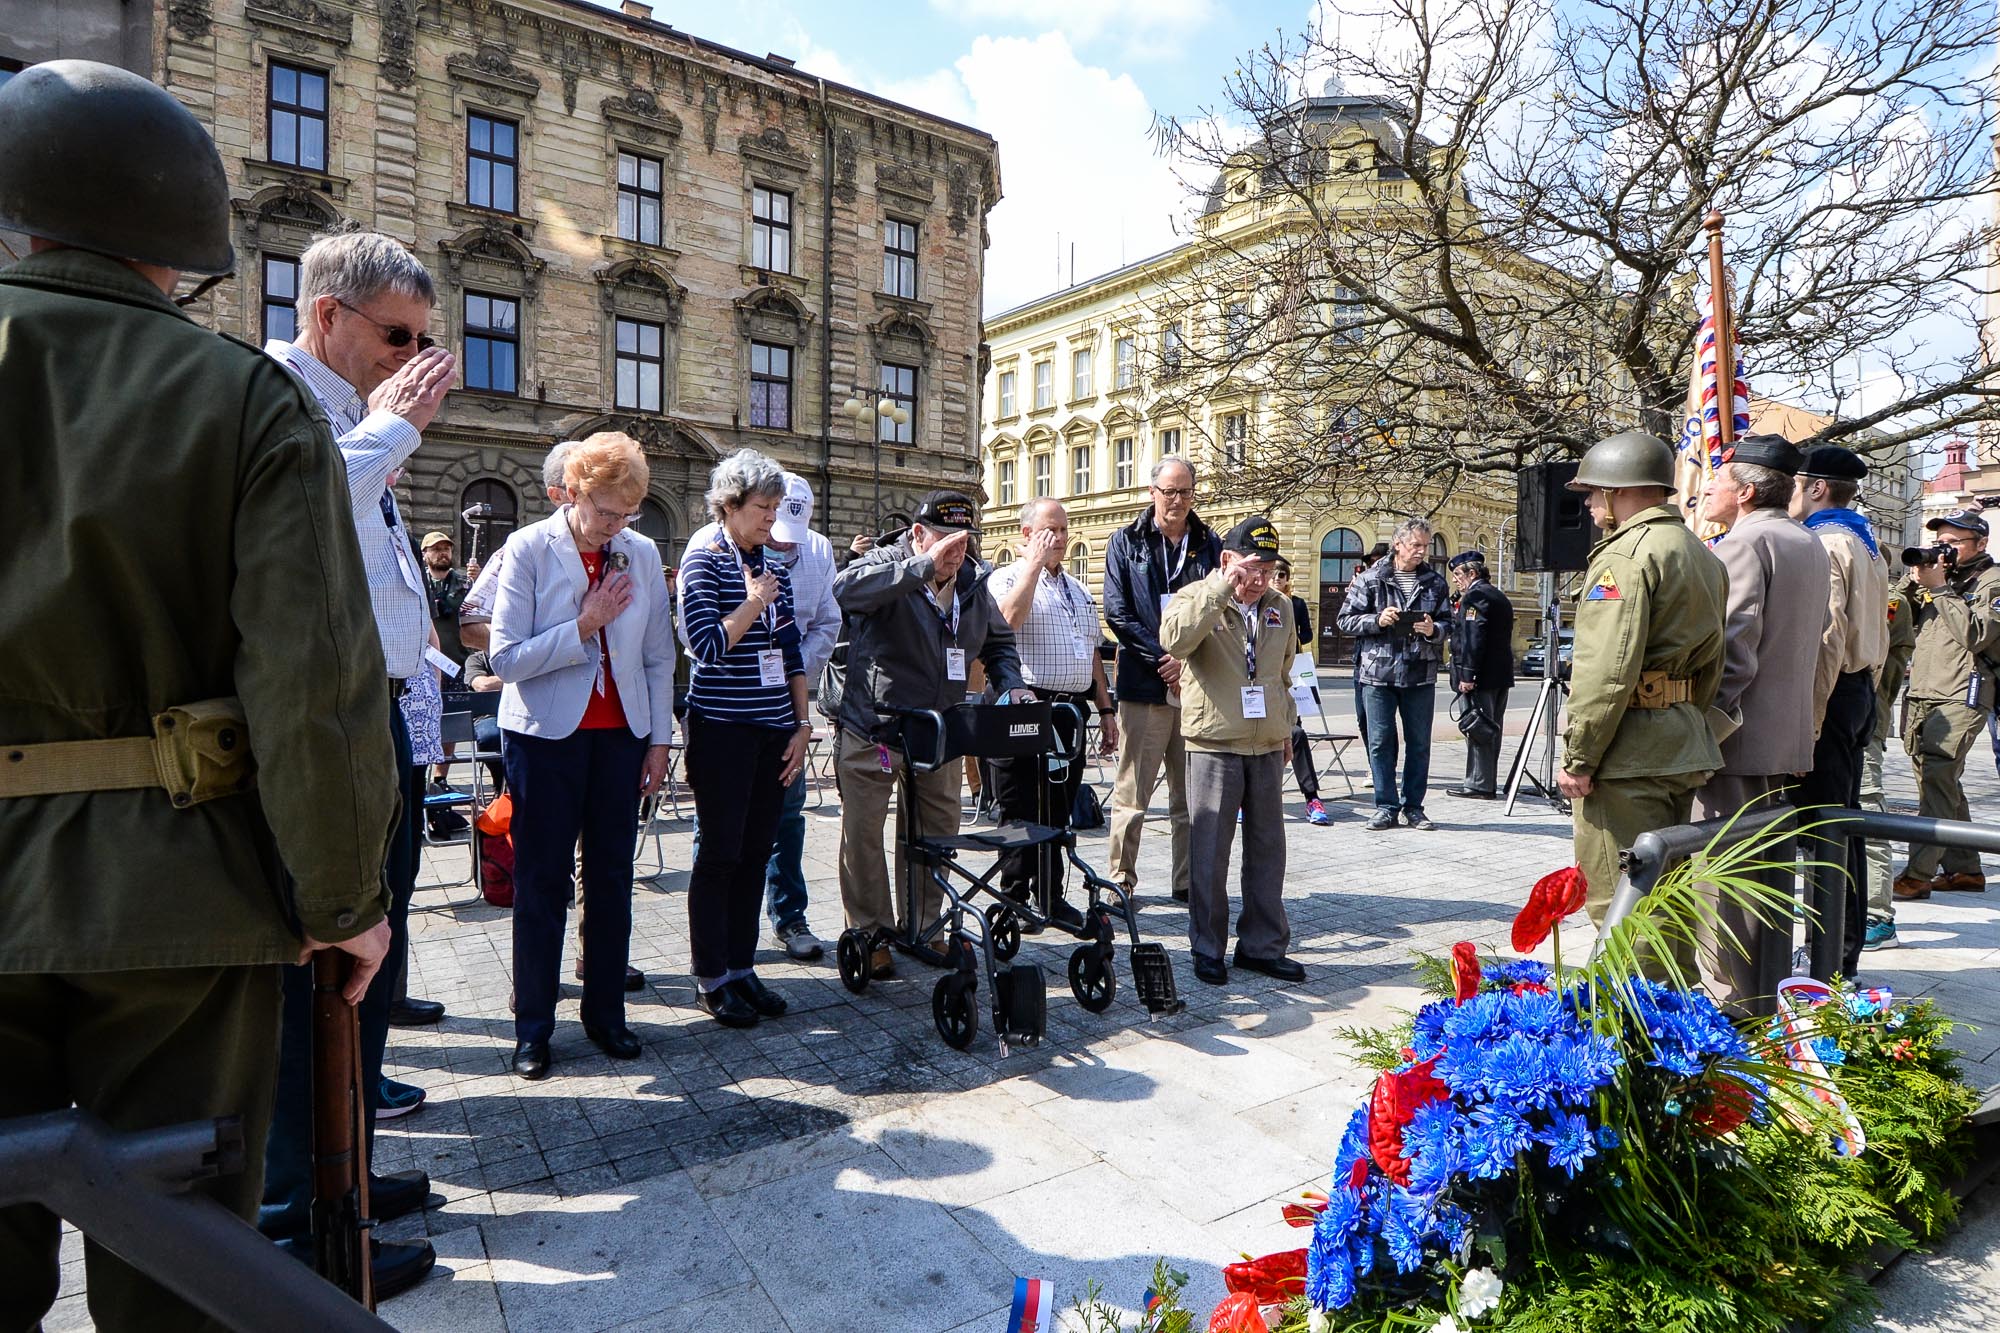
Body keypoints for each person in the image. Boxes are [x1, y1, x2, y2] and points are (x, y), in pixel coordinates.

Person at [0, 61, 395, 1326]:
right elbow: (314, 686)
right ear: (181, 235)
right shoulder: (238, 396)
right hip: (176, 896)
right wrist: (343, 900)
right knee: (177, 1273)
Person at [262, 227, 454, 1291]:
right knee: (322, 977)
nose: (411, 358)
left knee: (368, 967)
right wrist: (390, 430)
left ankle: (350, 1176)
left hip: (378, 718)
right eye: (397, 335)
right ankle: (301, 1222)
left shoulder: (356, 412)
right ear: (326, 314)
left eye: (423, 339)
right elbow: (288, 512)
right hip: (326, 723)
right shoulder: (280, 396)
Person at [489, 432, 676, 1080]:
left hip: (621, 737)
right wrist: (584, 625)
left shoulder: (640, 553)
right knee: (542, 882)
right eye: (605, 511)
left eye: (628, 513)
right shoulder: (528, 548)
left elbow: (658, 655)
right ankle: (533, 1028)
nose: (615, 526)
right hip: (545, 738)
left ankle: (606, 1013)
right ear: (571, 492)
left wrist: (659, 740)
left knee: (612, 879)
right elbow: (504, 657)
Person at [832, 491, 1030, 978]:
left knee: (934, 833)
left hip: (939, 730)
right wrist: (921, 567)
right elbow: (846, 590)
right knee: (863, 834)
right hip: (875, 725)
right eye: (947, 540)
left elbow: (999, 643)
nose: (957, 551)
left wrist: (1012, 685)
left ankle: (924, 925)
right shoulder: (885, 561)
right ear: (918, 534)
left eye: (965, 541)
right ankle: (870, 933)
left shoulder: (972, 581)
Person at [1555, 431, 1727, 934]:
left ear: (1617, 491)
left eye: (1593, 492)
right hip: (1678, 742)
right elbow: (1712, 664)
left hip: (1626, 754)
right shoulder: (1699, 552)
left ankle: (1634, 991)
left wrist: (1580, 757)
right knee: (1668, 900)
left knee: (1622, 907)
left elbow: (1604, 671)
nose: (1588, 504)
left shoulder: (1625, 557)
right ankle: (1676, 989)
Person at [1692, 434, 1830, 1012]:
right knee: (1764, 876)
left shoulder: (1745, 544)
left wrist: (1705, 728)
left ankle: (1730, 1006)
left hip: (1737, 740)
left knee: (1721, 883)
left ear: (1745, 493)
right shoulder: (1808, 541)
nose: (1707, 489)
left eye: (1718, 481)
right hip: (1782, 737)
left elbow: (1733, 646)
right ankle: (1760, 996)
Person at [679, 472, 841, 962]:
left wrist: (802, 725)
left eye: (776, 507)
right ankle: (713, 976)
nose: (772, 517)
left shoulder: (772, 568)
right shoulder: (705, 560)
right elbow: (706, 644)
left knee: (756, 854)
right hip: (722, 730)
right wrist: (754, 602)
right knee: (720, 855)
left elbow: (791, 655)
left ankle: (741, 969)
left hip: (776, 731)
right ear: (730, 506)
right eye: (763, 508)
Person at [1160, 516, 1304, 985]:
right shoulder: (1197, 596)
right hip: (1214, 742)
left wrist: (1286, 729)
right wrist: (1221, 588)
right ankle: (1207, 947)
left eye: (1268, 570)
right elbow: (1175, 640)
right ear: (1227, 561)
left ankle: (1261, 946)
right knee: (1209, 851)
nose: (1260, 580)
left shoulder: (1280, 606)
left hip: (1265, 743)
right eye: (1251, 568)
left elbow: (1283, 674)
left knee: (1268, 851)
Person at [988, 499, 1120, 930]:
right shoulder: (1005, 577)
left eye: (1063, 530)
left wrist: (1105, 708)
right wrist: (1032, 566)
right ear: (1027, 534)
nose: (1060, 538)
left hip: (1069, 710)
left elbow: (1092, 653)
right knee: (1019, 806)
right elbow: (1006, 624)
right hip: (1024, 706)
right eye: (1050, 530)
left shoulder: (1078, 588)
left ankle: (1050, 893)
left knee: (1058, 807)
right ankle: (1013, 897)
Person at [1788, 446, 1890, 974]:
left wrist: (1808, 723)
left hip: (1830, 694)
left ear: (1817, 488)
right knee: (1843, 825)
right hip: (1858, 689)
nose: (1790, 492)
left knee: (1825, 831)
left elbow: (1827, 639)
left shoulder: (1826, 542)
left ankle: (1830, 958)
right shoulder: (1866, 541)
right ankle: (1839, 951)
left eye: (1796, 482)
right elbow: (1879, 637)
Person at [1102, 458, 1222, 902]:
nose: (1177, 500)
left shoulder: (1210, 544)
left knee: (1189, 798)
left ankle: (1187, 882)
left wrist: (1184, 661)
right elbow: (1117, 613)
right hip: (1144, 685)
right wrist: (1163, 658)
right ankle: (1121, 880)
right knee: (1132, 793)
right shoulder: (1125, 541)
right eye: (1169, 491)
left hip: (1196, 688)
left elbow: (1219, 612)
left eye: (1185, 492)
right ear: (1152, 492)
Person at [1892, 508, 2000, 899]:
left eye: (1953, 543)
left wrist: (1939, 590)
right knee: (1939, 781)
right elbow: (1891, 616)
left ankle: (1917, 875)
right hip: (1923, 691)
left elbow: (1977, 634)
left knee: (1937, 780)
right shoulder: (1938, 579)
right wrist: (1911, 582)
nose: (1944, 550)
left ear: (1981, 543)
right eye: (1940, 542)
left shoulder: (1992, 581)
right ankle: (1965, 869)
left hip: (1962, 693)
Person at [1337, 517, 1453, 830]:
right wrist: (1377, 620)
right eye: (1416, 545)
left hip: (1420, 674)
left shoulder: (1435, 582)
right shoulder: (1371, 579)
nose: (1422, 551)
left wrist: (1433, 629)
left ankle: (1414, 807)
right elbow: (1345, 620)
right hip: (1378, 674)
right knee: (1380, 742)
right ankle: (1386, 806)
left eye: (1426, 546)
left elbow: (1449, 624)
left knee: (1419, 744)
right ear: (1398, 544)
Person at [458, 441, 577, 655]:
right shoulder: (522, 548)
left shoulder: (629, 548)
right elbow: (471, 626)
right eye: (581, 489)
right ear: (557, 495)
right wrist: (540, 655)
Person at [1862, 580, 1916, 949]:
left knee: (1867, 814)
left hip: (1862, 724)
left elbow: (1869, 657)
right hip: (1826, 724)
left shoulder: (1888, 598)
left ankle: (1877, 915)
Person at [1444, 550, 1516, 799]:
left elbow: (1474, 638)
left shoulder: (1475, 596)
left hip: (1480, 677)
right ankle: (1486, 781)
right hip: (1499, 675)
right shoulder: (1497, 595)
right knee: (1491, 728)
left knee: (1478, 729)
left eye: (1457, 574)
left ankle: (1479, 785)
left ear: (1472, 573)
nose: (1455, 580)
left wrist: (1467, 675)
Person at [1271, 558, 1331, 825]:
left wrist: (1291, 634)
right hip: (1257, 682)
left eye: (1281, 574)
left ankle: (1311, 798)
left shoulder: (1294, 604)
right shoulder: (1255, 604)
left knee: (1295, 733)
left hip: (1291, 670)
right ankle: (1242, 800)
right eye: (1273, 574)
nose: (1276, 578)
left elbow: (1306, 635)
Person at [421, 531, 472, 664]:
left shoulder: (465, 584)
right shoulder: (418, 584)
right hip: (426, 663)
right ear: (424, 554)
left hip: (460, 662)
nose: (443, 553)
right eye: (436, 549)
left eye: (446, 549)